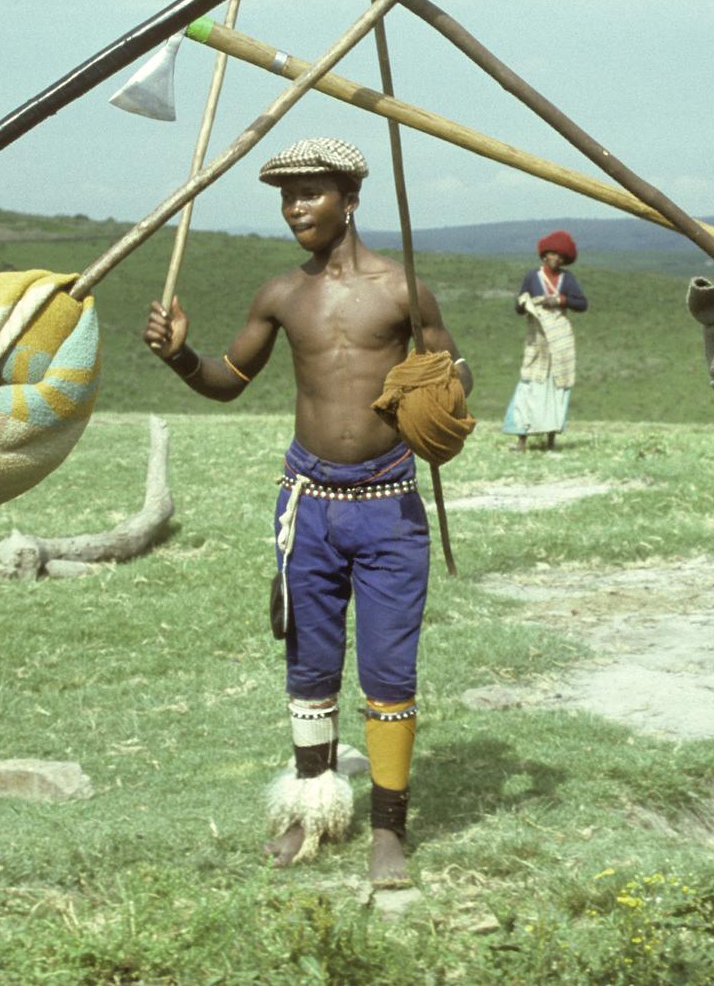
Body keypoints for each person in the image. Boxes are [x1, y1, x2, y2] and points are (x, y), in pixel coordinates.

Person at [140, 137, 473, 888]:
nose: (296, 207)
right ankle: (308, 812)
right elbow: (227, 379)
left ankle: (389, 830)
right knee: (310, 668)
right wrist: (180, 357)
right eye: (287, 196)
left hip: (389, 507)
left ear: (350, 198)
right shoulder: (282, 294)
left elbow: (454, 381)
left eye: (311, 193)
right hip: (310, 509)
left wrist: (446, 386)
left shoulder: (403, 290)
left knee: (390, 670)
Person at [502, 228, 587, 451]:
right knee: (530, 383)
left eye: (560, 256)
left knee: (557, 385)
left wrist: (560, 299)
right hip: (537, 339)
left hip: (559, 340)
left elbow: (582, 303)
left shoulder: (567, 279)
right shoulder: (532, 277)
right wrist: (524, 304)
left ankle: (551, 439)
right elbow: (519, 307)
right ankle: (522, 439)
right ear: (545, 255)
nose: (556, 259)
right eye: (553, 254)